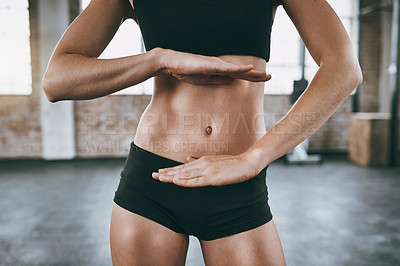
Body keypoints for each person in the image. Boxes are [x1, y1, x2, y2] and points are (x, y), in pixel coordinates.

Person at [42, 0, 363, 265]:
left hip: (237, 186)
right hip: (152, 182)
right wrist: (159, 60)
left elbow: (343, 67)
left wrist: (255, 157)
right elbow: (57, 79)